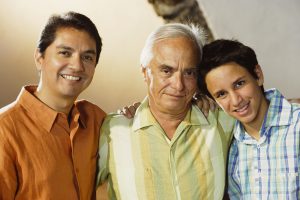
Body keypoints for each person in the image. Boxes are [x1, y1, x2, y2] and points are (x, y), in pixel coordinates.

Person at [97, 23, 234, 199]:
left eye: (189, 73)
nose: (178, 85)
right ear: (145, 72)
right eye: (166, 71)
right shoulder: (112, 130)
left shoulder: (223, 120)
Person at [0, 12, 106, 199]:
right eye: (65, 53)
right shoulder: (4, 131)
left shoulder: (96, 119)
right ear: (39, 58)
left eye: (87, 57)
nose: (77, 66)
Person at [198, 39, 300, 199]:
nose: (236, 100)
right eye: (221, 94)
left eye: (239, 84)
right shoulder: (232, 148)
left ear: (258, 75)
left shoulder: (297, 124)